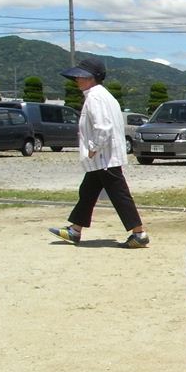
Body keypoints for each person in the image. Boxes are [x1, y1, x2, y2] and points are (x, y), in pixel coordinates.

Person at [47, 56, 149, 248]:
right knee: (87, 191)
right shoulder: (104, 95)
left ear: (92, 77)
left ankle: (139, 233)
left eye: (81, 76)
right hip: (104, 157)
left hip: (104, 157)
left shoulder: (95, 97)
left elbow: (103, 127)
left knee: (119, 195)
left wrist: (94, 148)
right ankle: (75, 230)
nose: (77, 80)